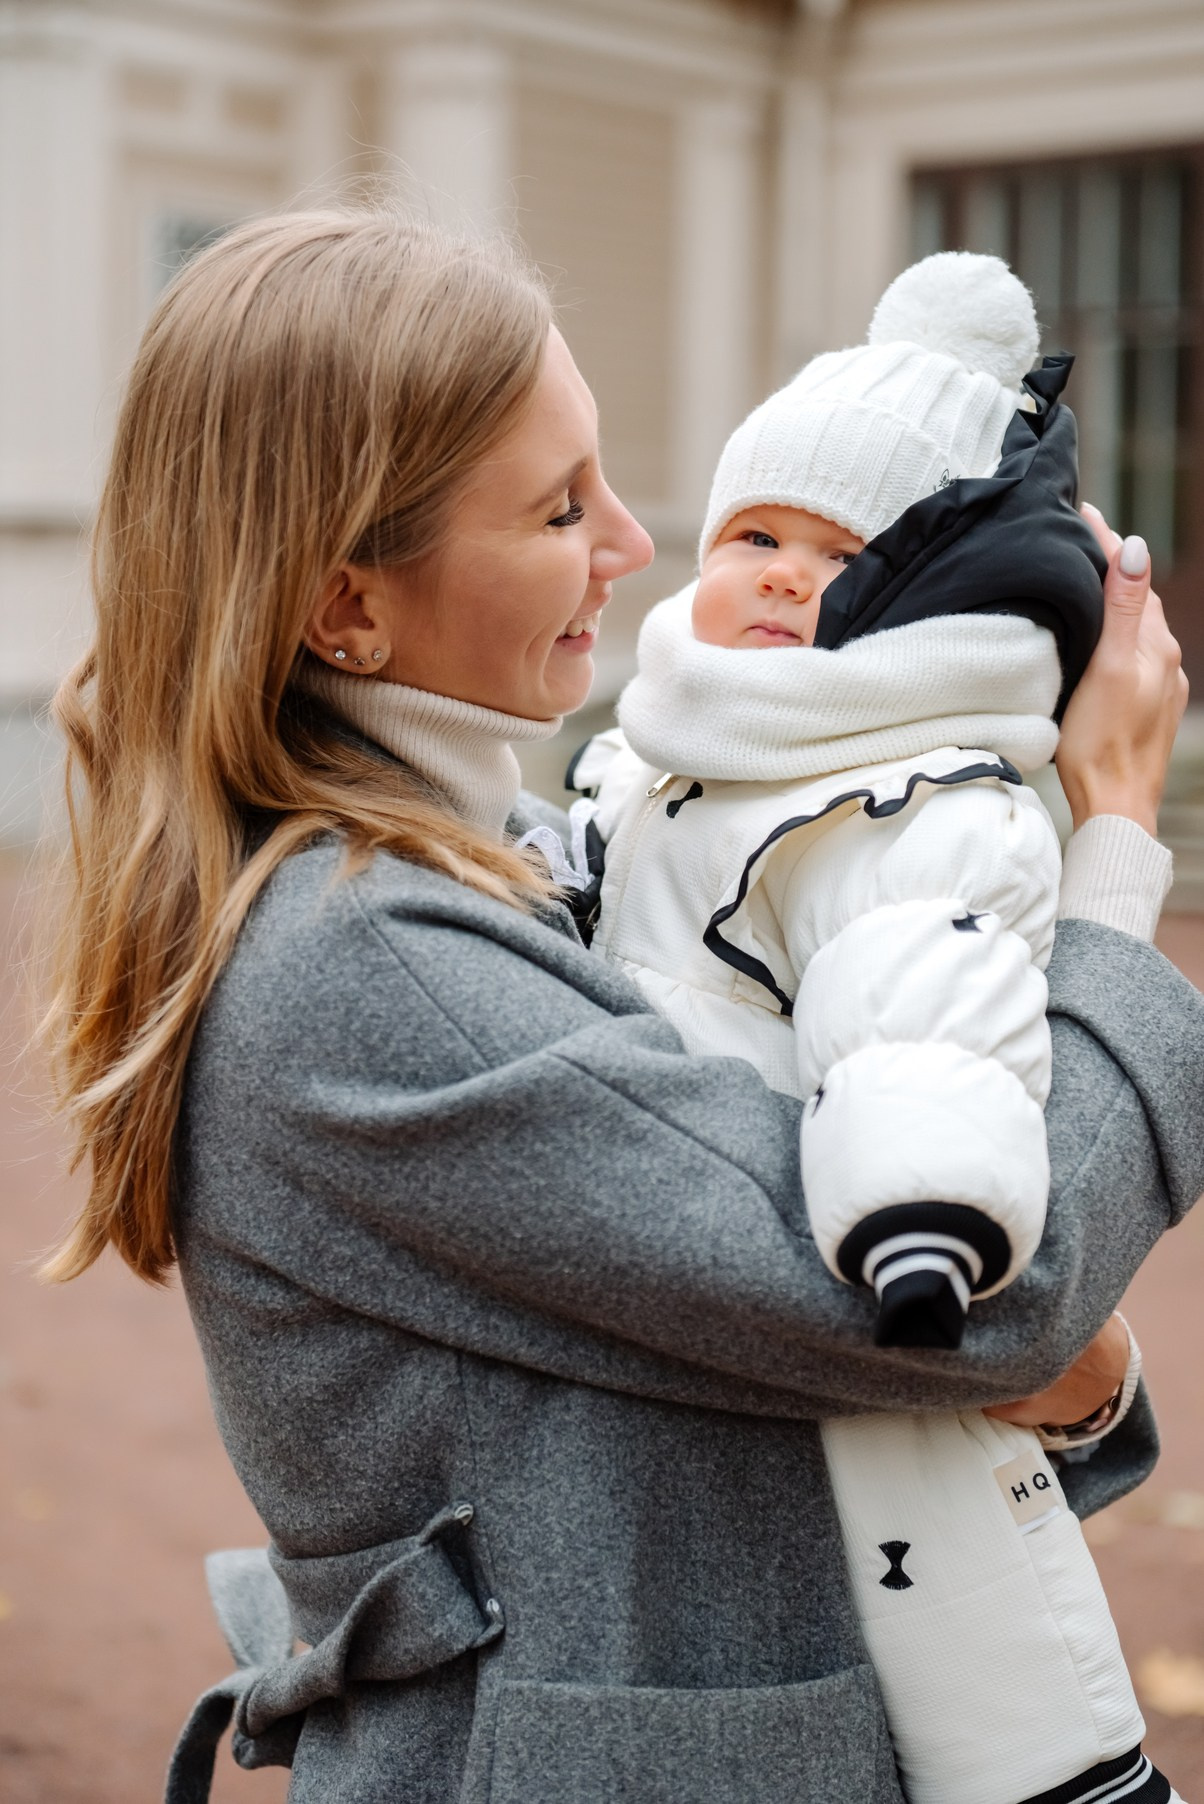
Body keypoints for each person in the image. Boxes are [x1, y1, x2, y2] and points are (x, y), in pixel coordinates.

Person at [39, 209, 1203, 1804]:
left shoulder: (530, 860)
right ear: (348, 612)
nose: (637, 545)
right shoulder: (374, 970)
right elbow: (976, 1302)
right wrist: (1117, 834)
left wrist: (1066, 1377)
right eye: (557, 506)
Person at [570, 250, 1181, 1804]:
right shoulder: (660, 764)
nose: (778, 572)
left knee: (960, 1658)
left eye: (838, 553)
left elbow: (920, 1014)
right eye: (752, 534)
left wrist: (928, 1214)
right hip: (770, 1370)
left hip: (888, 1264)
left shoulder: (898, 799)